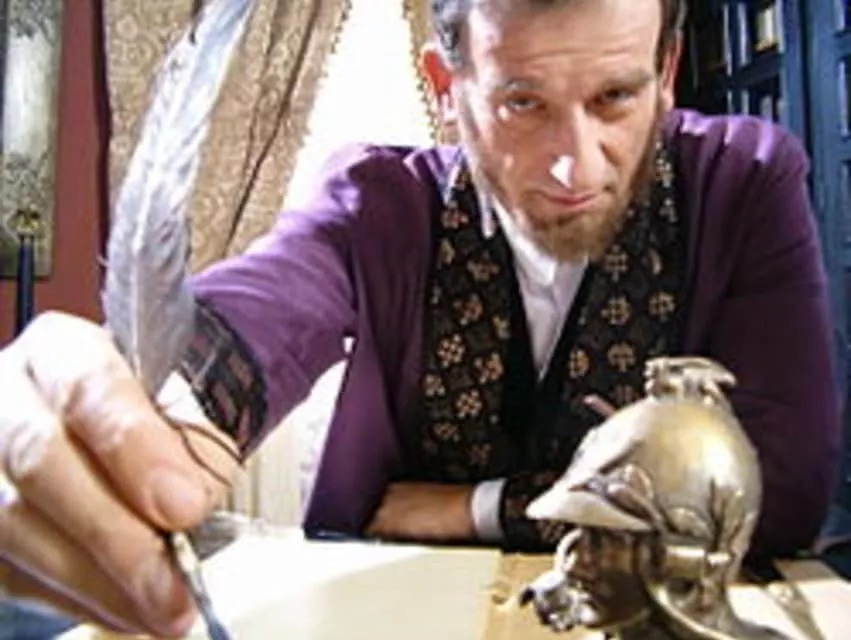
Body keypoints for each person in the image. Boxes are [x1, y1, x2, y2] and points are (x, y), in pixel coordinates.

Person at [0, 0, 841, 636]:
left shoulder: (742, 183)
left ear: (666, 72)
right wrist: (136, 414)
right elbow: (257, 314)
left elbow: (780, 490)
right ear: (446, 87)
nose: (573, 166)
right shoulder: (377, 204)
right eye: (522, 102)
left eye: (615, 97)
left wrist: (475, 508)